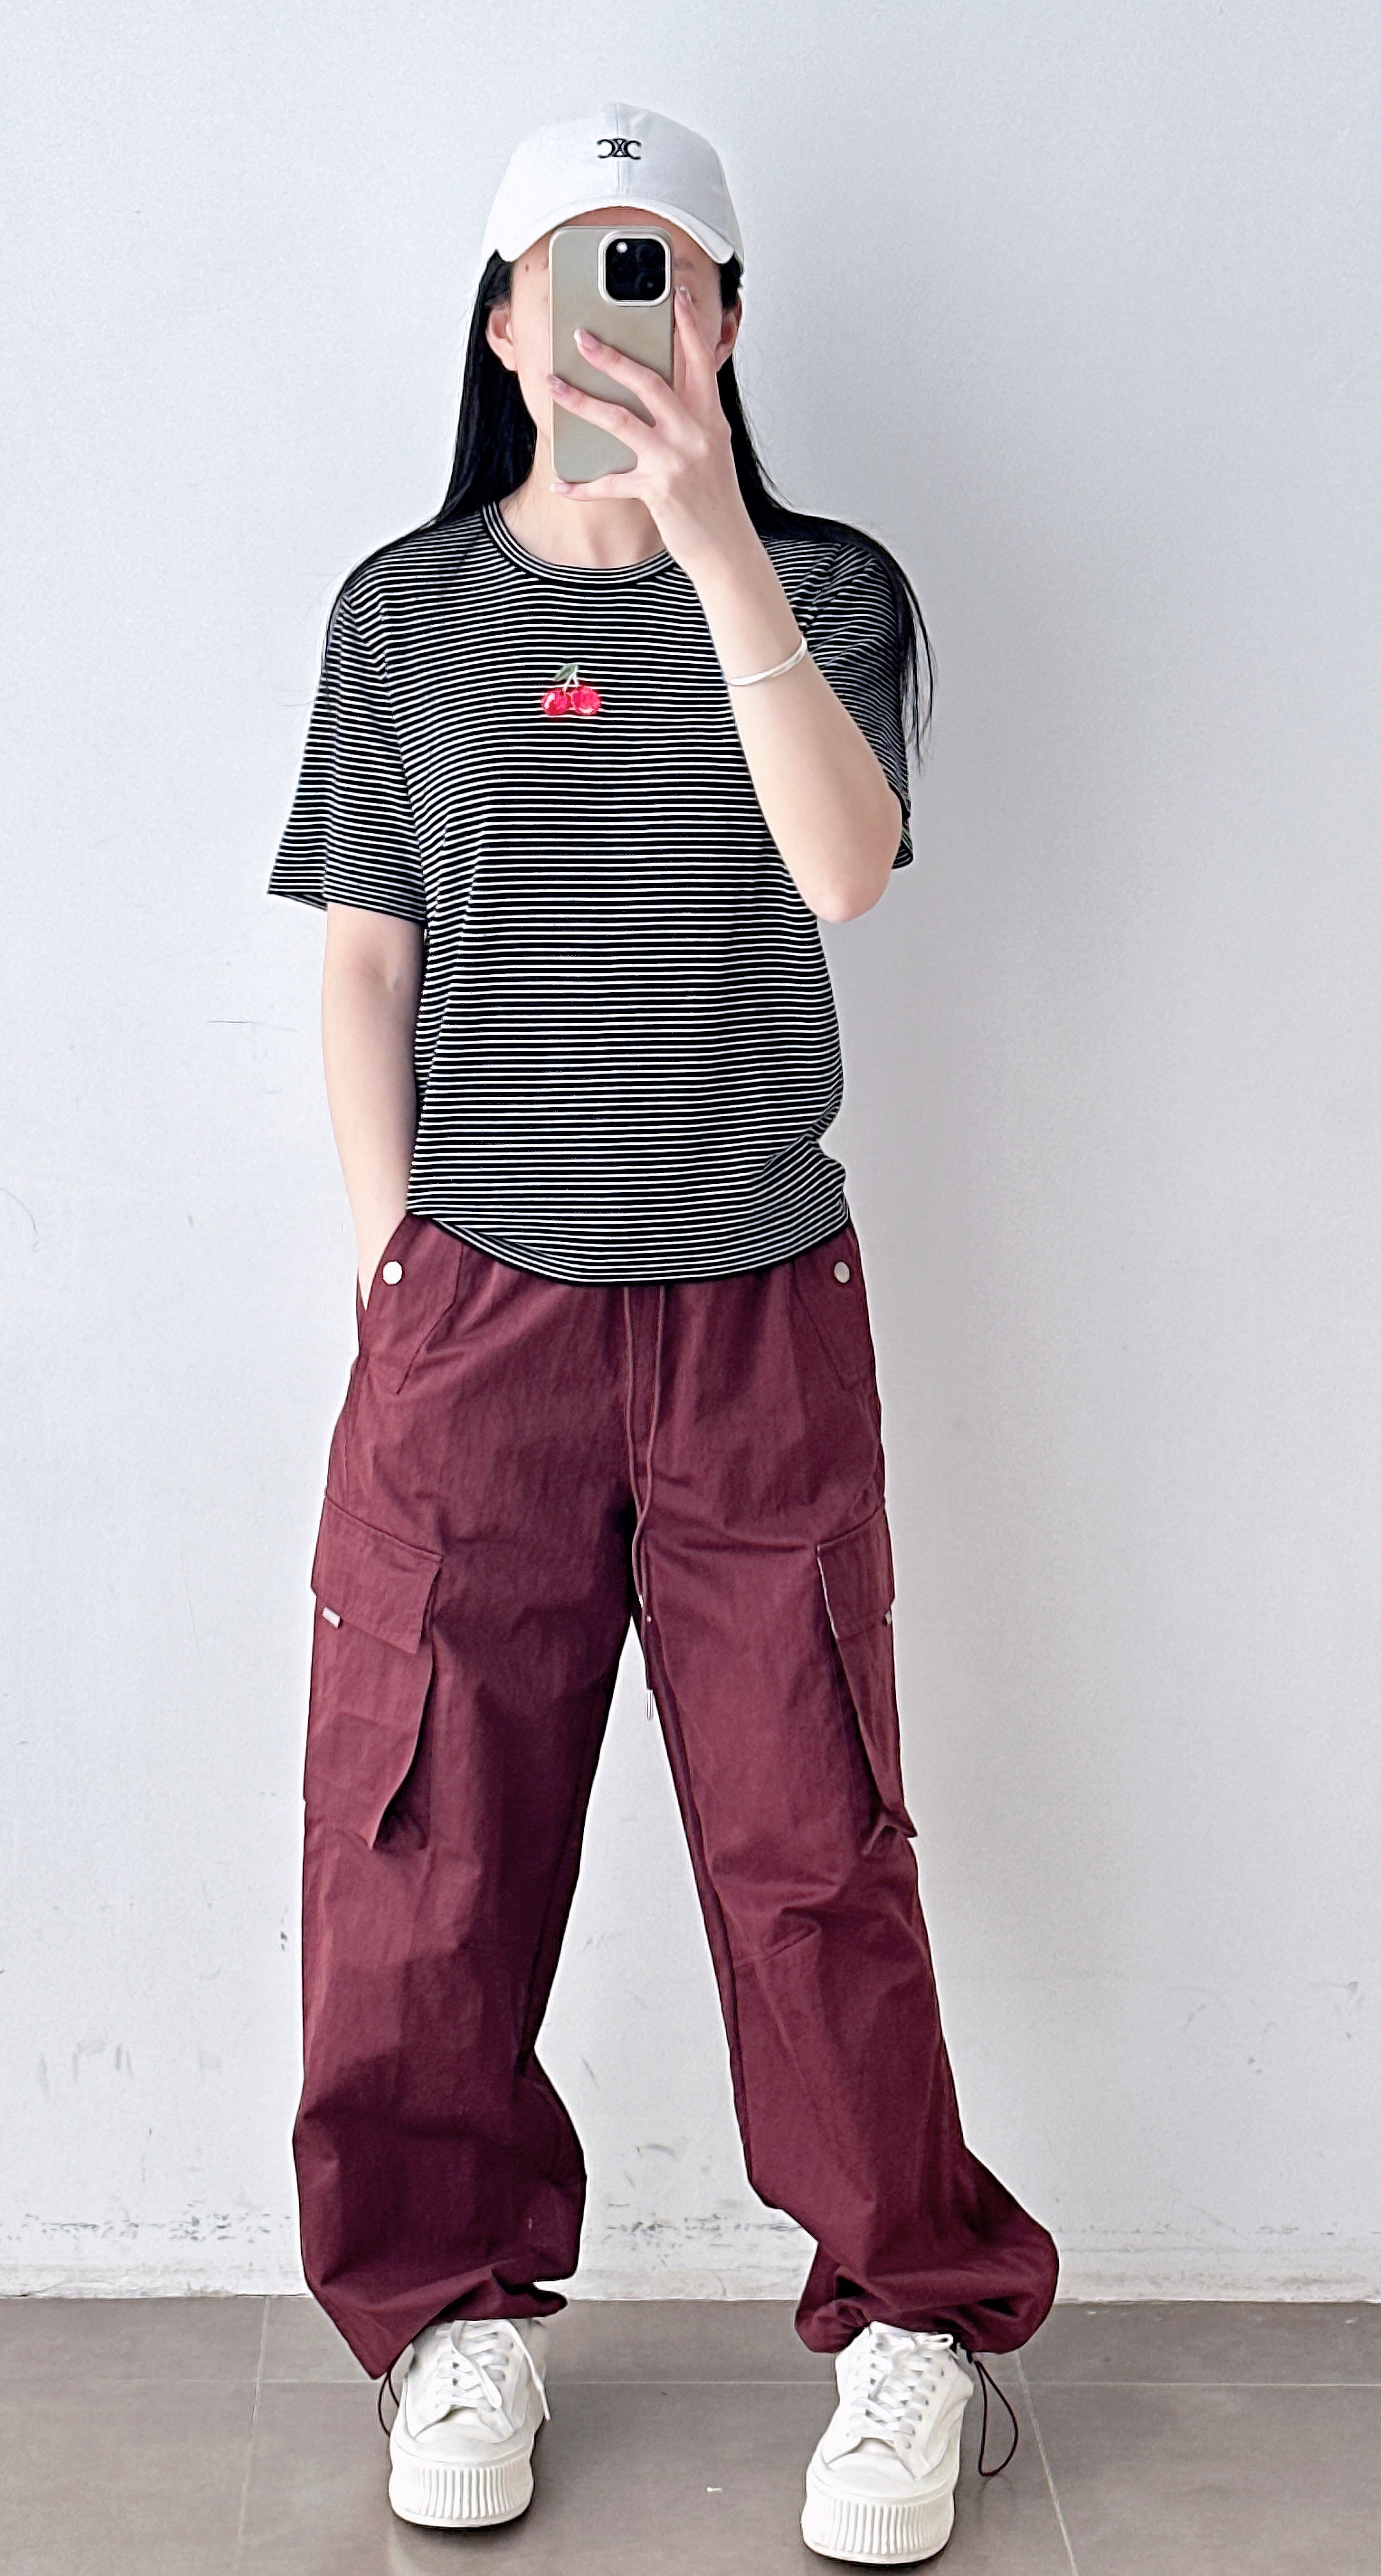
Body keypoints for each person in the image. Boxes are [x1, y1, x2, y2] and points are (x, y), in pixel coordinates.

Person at [267, 102, 1060, 2567]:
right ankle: (447, 2315)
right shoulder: (406, 616)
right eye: (573, 274)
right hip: (478, 1321)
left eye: (665, 274)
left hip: (751, 1312)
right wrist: (398, 1257)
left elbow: (846, 870)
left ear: (723, 320)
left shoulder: (827, 590)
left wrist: (710, 538)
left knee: (812, 1841)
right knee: (426, 1835)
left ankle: (914, 2322)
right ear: (502, 322)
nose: (615, 319)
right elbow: (366, 957)